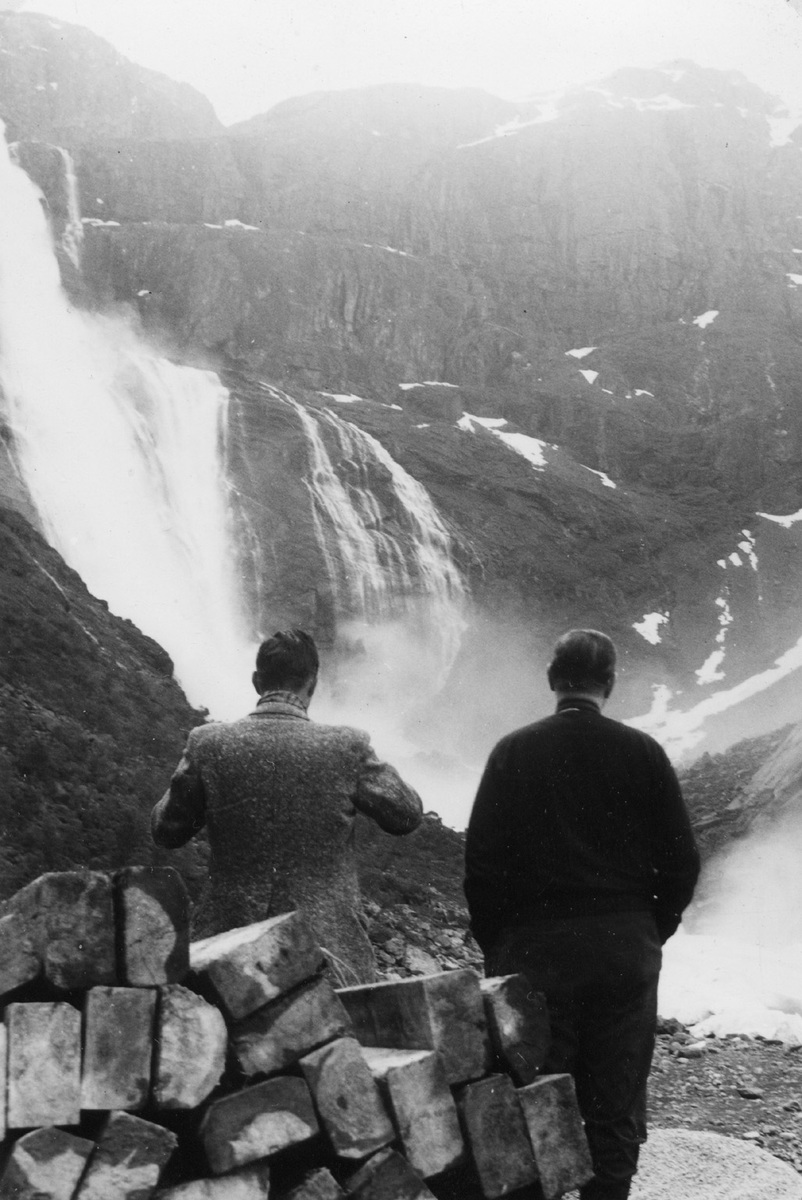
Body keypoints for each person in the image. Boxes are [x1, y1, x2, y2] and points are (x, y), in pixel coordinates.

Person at [464, 629, 700, 1200]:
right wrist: (649, 931)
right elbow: (683, 863)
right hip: (624, 950)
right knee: (615, 1102)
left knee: (536, 1095)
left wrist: (503, 946)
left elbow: (482, 866)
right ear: (610, 684)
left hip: (536, 953)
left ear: (552, 679)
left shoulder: (512, 751)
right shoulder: (643, 752)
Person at [152, 628, 423, 985]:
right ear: (312, 684)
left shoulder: (208, 743)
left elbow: (165, 831)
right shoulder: (346, 746)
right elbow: (407, 814)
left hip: (227, 955)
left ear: (256, 681)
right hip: (328, 955)